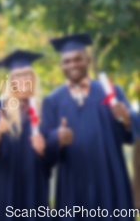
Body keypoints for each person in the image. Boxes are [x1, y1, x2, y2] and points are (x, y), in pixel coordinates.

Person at [41, 33, 140, 220]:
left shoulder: (110, 91)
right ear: (61, 65)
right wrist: (57, 137)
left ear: (87, 60)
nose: (73, 65)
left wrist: (127, 118)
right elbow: (45, 146)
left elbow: (131, 130)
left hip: (109, 176)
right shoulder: (52, 101)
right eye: (67, 61)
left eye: (78, 59)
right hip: (73, 181)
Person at [0, 50, 49, 221]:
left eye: (27, 75)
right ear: (12, 80)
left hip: (34, 183)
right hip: (5, 181)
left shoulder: (43, 108)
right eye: (18, 76)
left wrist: (43, 150)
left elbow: (53, 154)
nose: (23, 80)